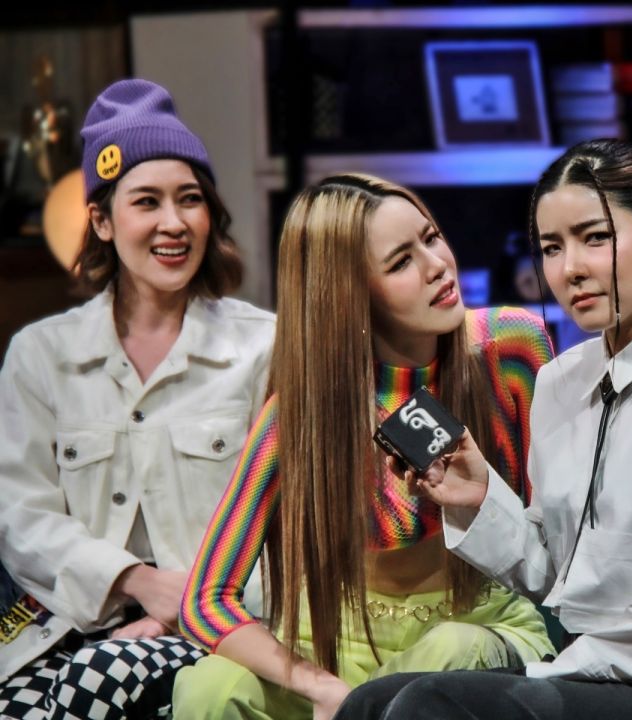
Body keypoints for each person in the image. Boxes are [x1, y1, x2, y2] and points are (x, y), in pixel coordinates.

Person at [333, 138, 632, 720]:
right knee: (369, 702)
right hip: (595, 673)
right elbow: (554, 572)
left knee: (431, 705)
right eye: (552, 247)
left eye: (595, 238)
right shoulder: (561, 381)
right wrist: (480, 499)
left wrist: (574, 664)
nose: (570, 269)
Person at [173, 173, 556, 720]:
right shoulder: (299, 416)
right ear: (350, 295)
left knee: (444, 659)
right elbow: (206, 601)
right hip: (334, 646)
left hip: (476, 625)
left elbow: (559, 530)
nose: (437, 265)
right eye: (401, 262)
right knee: (210, 690)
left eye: (431, 237)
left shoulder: (511, 347)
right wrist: (321, 687)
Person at [0, 78, 276, 719]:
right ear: (101, 220)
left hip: (224, 629)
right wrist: (140, 584)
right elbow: (21, 517)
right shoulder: (41, 355)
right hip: (64, 627)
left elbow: (292, 525)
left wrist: (189, 606)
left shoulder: (265, 346)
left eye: (190, 200)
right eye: (147, 201)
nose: (173, 223)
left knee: (97, 682)